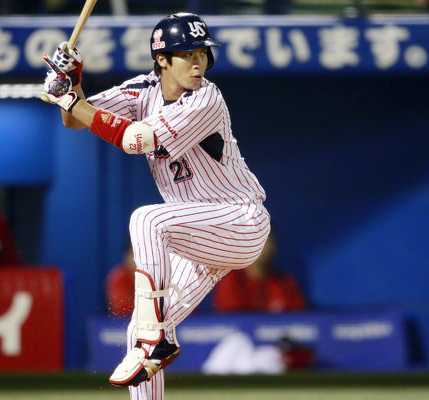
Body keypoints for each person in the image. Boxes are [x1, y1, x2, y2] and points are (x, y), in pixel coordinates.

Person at [41, 12, 270, 399]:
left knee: (147, 220)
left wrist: (67, 96)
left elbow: (134, 140)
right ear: (162, 59)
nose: (198, 63)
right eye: (188, 54)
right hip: (194, 237)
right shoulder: (142, 90)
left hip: (239, 220)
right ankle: (153, 340)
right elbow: (76, 120)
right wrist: (73, 83)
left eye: (202, 53)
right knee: (138, 331)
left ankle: (156, 338)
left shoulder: (206, 98)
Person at [213, 232, 306, 313]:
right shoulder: (231, 282)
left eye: (267, 240)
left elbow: (299, 322)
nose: (263, 247)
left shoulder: (285, 283)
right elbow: (230, 322)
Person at [106, 245, 136, 317]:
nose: (139, 260)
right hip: (125, 320)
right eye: (134, 255)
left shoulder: (156, 276)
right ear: (127, 256)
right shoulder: (119, 277)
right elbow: (121, 306)